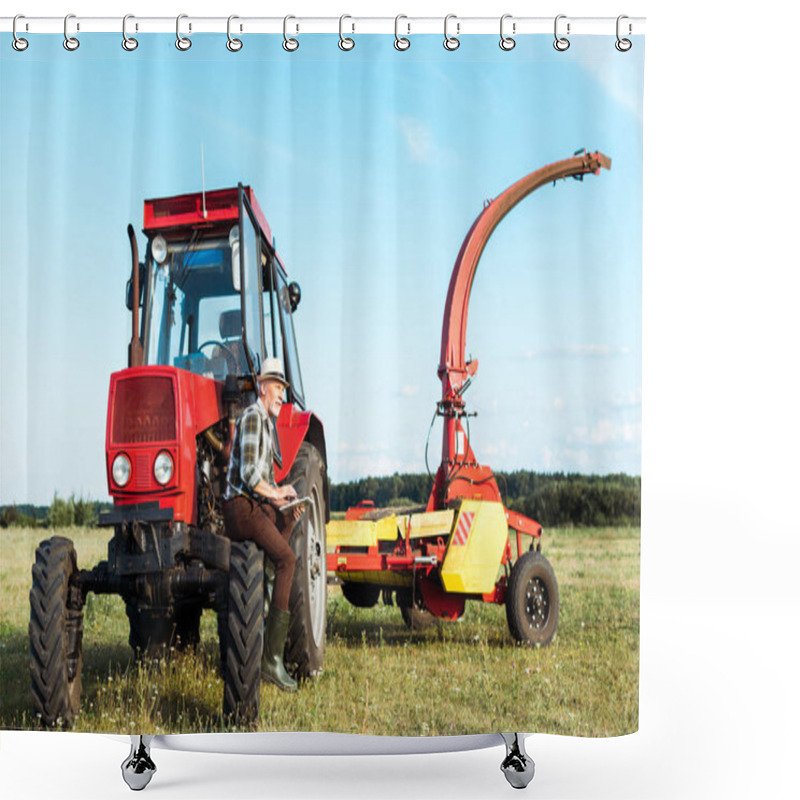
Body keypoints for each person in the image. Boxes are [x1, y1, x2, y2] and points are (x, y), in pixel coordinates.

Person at [223, 357, 303, 692]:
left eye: (284, 390)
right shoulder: (254, 416)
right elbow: (249, 476)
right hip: (241, 508)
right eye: (278, 389)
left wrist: (284, 499)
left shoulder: (265, 424)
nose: (282, 397)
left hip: (251, 504)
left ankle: (268, 597)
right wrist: (275, 493)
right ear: (262, 387)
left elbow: (264, 480)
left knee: (286, 516)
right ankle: (271, 661)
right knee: (287, 560)